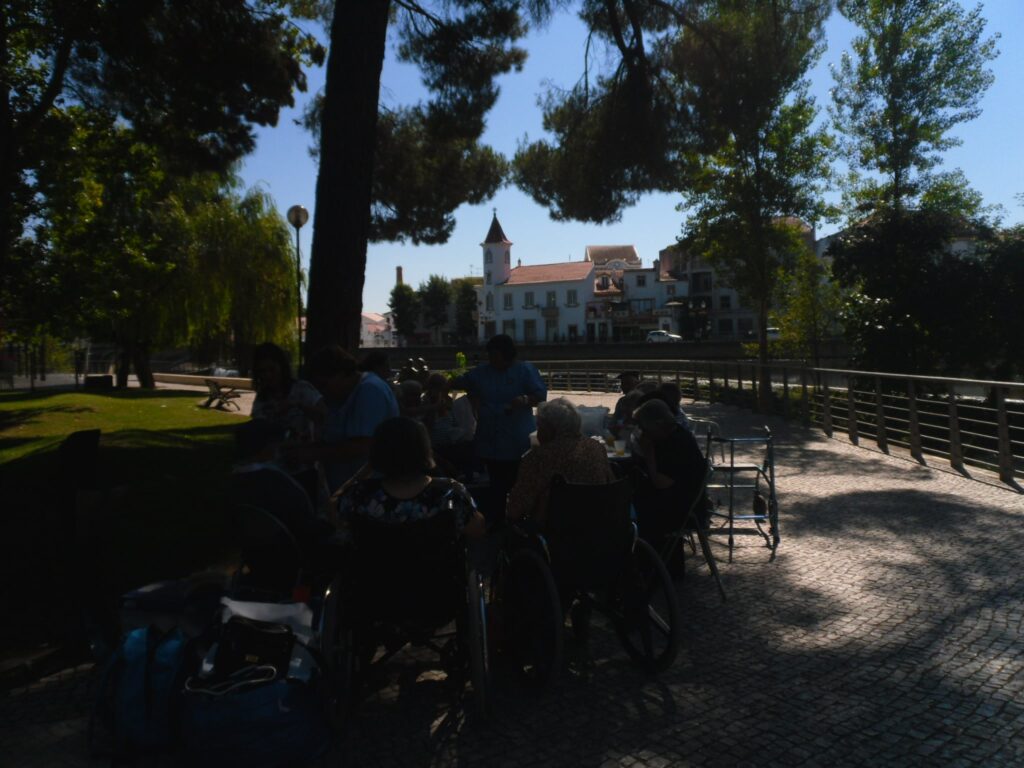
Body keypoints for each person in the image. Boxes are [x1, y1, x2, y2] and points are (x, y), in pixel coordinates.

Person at [336, 417, 485, 539]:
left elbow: (333, 511)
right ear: (425, 450)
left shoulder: (359, 495)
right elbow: (478, 530)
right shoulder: (449, 494)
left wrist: (366, 469)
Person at [231, 420, 336, 580]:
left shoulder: (236, 482)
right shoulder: (277, 484)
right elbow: (307, 527)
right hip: (293, 558)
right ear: (268, 448)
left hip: (256, 555)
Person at [456, 334, 547, 515]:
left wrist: (524, 399)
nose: (492, 360)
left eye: (496, 356)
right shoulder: (481, 372)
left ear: (508, 355)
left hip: (517, 439)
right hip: (490, 438)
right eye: (490, 356)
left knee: (519, 483)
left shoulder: (525, 370)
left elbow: (540, 396)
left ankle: (518, 518)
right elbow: (460, 381)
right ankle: (497, 518)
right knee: (496, 484)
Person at [294, 345, 399, 494]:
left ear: (342, 374)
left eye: (324, 384)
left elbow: (362, 446)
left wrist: (310, 454)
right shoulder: (345, 395)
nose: (322, 391)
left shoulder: (370, 391)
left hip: (369, 492)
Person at [507, 399, 614, 526]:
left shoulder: (538, 457)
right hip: (600, 523)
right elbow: (611, 485)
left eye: (539, 427)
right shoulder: (596, 448)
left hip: (555, 530)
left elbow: (516, 508)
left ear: (549, 428)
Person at [249, 342, 326, 501]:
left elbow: (324, 416)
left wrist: (298, 405)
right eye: (262, 371)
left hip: (304, 469)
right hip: (274, 471)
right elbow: (258, 435)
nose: (267, 375)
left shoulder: (302, 389)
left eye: (272, 369)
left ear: (282, 367)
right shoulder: (261, 400)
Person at [630, 398, 709, 549]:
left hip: (680, 508)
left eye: (644, 428)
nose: (643, 433)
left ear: (657, 424)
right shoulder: (672, 434)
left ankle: (643, 553)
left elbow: (660, 482)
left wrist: (649, 454)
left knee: (628, 510)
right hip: (677, 500)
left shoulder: (676, 443)